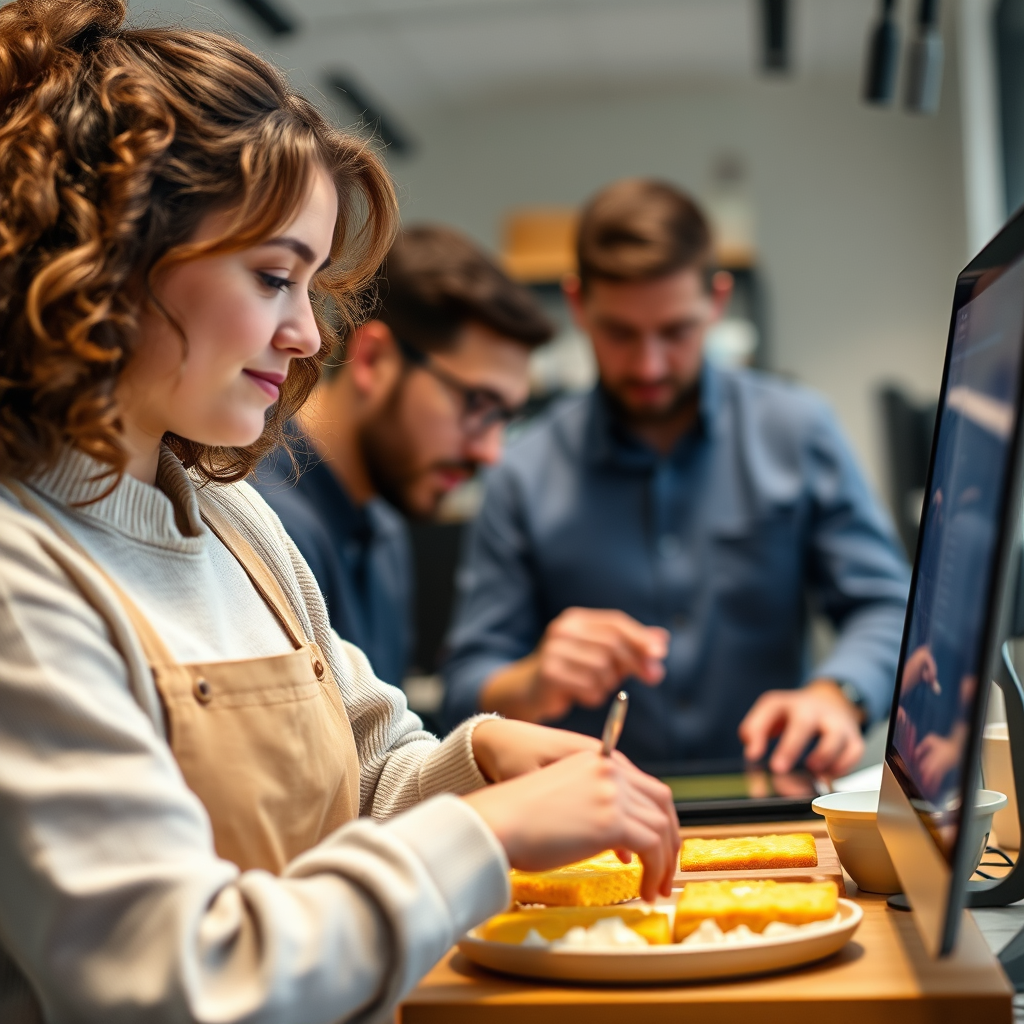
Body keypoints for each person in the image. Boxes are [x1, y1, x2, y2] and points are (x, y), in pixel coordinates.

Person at [0, 7, 679, 1022]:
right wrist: (488, 834)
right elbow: (181, 981)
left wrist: (481, 756)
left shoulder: (231, 516)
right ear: (110, 258)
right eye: (274, 276)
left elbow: (363, 768)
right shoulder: (24, 575)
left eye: (311, 284)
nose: (306, 331)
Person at [442, 178, 911, 777]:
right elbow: (465, 689)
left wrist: (835, 695)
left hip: (776, 804)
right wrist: (533, 681)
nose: (649, 365)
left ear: (717, 301)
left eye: (676, 332)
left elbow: (887, 605)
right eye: (620, 333)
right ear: (578, 304)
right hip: (591, 827)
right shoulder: (522, 471)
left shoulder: (798, 430)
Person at [254, 227, 552, 686]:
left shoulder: (385, 527)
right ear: (373, 360)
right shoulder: (263, 520)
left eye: (504, 419)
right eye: (476, 404)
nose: (490, 453)